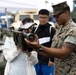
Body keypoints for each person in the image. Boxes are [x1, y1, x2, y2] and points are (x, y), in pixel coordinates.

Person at [25, 1, 76, 75]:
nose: (55, 18)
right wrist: (35, 47)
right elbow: (51, 52)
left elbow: (63, 53)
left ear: (66, 13)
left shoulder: (73, 30)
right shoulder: (59, 30)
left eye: (57, 16)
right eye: (54, 16)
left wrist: (40, 46)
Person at [32, 9, 56, 75]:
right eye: (41, 17)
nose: (42, 19)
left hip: (47, 62)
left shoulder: (51, 30)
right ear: (38, 17)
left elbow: (55, 46)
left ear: (48, 18)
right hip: (36, 61)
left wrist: (52, 60)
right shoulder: (35, 29)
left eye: (44, 17)